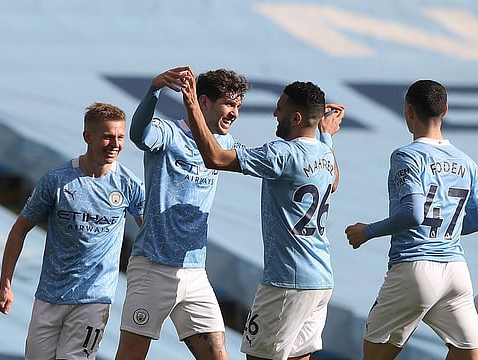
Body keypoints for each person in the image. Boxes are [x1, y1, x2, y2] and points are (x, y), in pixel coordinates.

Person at [180, 68, 345, 360]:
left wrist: (193, 106)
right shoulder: (324, 153)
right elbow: (333, 182)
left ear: (295, 118)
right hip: (320, 279)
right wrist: (327, 137)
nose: (274, 114)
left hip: (285, 281)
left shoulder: (283, 153)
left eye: (279, 109)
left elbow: (215, 158)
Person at [114, 66, 250, 360]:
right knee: (131, 354)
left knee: (217, 354)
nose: (234, 113)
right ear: (203, 102)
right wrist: (153, 90)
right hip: (153, 266)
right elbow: (139, 134)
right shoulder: (169, 133)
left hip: (194, 271)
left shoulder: (223, 144)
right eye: (228, 104)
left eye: (238, 106)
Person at [0, 102, 145, 360]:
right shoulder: (57, 180)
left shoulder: (128, 184)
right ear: (88, 136)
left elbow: (151, 233)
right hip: (50, 295)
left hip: (94, 298)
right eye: (108, 136)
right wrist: (5, 284)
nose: (115, 144)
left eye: (120, 137)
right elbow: (20, 228)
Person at [345, 79, 478, 360]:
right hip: (456, 270)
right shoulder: (466, 162)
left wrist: (366, 231)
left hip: (414, 268)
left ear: (408, 110)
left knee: (375, 355)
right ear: (446, 110)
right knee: (466, 354)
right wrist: (446, 229)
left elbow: (413, 214)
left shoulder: (407, 155)